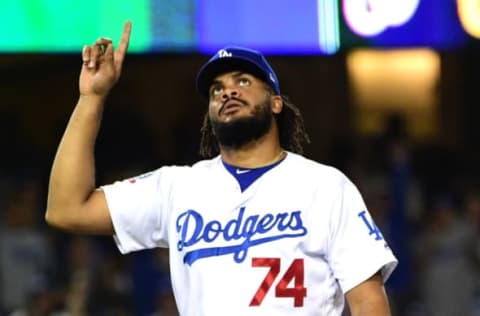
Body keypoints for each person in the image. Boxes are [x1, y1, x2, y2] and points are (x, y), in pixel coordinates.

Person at [45, 21, 398, 316]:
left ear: (276, 103)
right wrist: (91, 99)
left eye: (243, 82)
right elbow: (66, 209)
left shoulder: (325, 186)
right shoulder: (177, 187)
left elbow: (367, 299)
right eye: (217, 89)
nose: (227, 92)